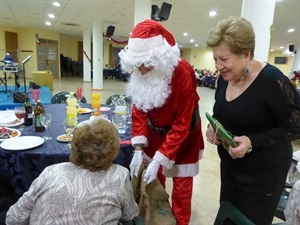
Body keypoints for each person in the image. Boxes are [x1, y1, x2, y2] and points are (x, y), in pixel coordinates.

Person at [205, 16, 300, 225]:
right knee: (228, 216)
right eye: (215, 60)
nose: (219, 66)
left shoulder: (271, 80)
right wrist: (214, 129)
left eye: (224, 59)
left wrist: (252, 141)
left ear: (246, 54)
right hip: (231, 168)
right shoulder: (224, 79)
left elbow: (295, 126)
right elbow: (222, 113)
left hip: (263, 176)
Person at [118, 19, 204, 225]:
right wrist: (138, 148)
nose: (142, 70)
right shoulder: (140, 71)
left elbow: (182, 123)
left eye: (146, 63)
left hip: (184, 138)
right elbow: (138, 110)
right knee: (154, 184)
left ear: (160, 58)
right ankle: (159, 219)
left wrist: (160, 158)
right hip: (155, 134)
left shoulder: (183, 72)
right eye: (137, 65)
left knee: (182, 191)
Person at [6, 118, 139, 225]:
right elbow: (130, 215)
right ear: (114, 149)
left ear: (74, 146)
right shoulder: (120, 175)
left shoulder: (50, 172)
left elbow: (13, 218)